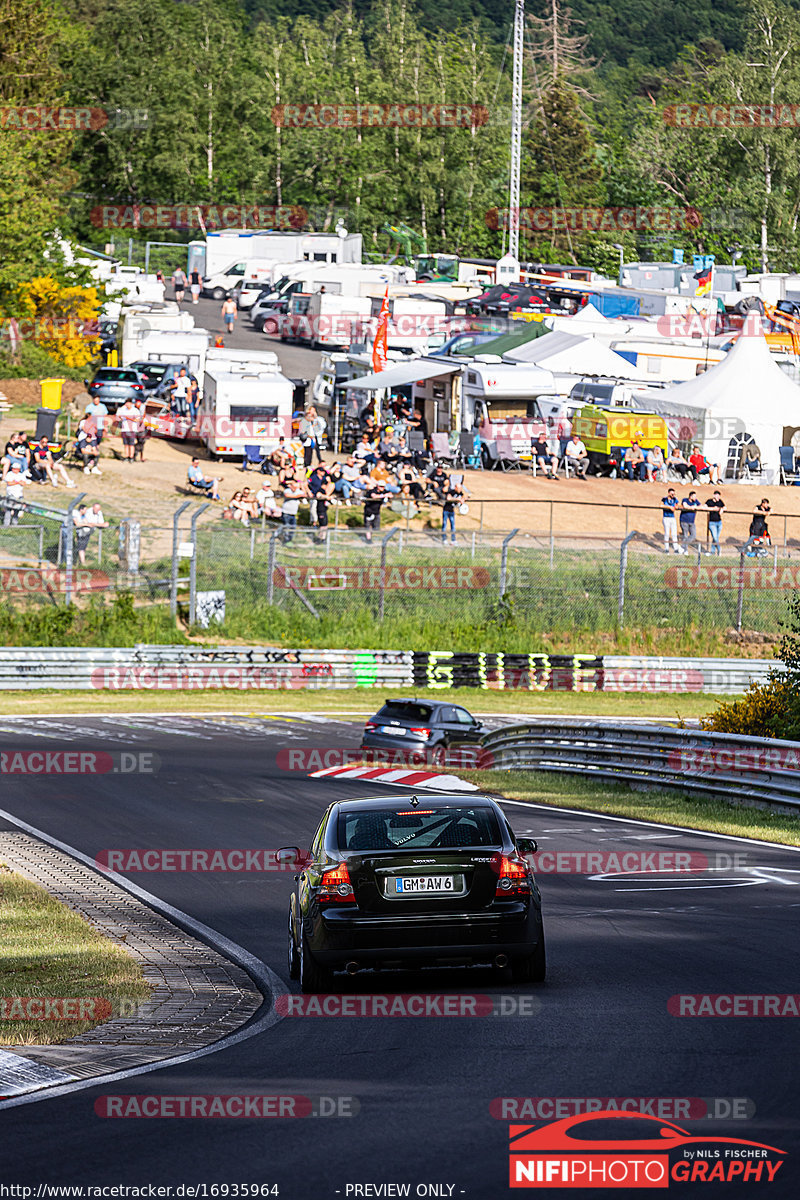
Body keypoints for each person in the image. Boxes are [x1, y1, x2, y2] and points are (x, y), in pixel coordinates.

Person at [280, 477, 305, 543]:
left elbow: (304, 494)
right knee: (286, 527)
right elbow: (287, 495)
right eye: (293, 486)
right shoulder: (287, 490)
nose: (295, 487)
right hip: (286, 512)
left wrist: (302, 487)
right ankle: (285, 540)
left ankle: (289, 540)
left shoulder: (298, 491)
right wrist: (297, 496)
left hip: (293, 513)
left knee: (292, 528)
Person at [363, 478, 387, 544]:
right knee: (368, 525)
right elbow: (373, 496)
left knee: (376, 527)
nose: (382, 488)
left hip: (377, 511)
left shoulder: (384, 491)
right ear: (377, 486)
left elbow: (390, 494)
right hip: (369, 510)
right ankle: (368, 538)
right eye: (381, 486)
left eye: (383, 486)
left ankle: (370, 535)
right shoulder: (372, 490)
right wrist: (383, 496)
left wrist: (386, 495)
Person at [116, 397, 140, 463]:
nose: (127, 405)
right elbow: (118, 416)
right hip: (124, 429)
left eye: (128, 403)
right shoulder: (123, 410)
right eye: (126, 403)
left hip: (132, 429)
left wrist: (130, 418)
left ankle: (131, 457)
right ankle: (126, 456)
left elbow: (137, 419)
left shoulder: (135, 410)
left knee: (131, 444)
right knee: (126, 444)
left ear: (131, 403)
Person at [705, 490, 726, 555]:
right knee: (715, 537)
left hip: (719, 522)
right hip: (712, 523)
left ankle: (712, 552)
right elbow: (704, 507)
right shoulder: (709, 501)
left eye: (719, 496)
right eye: (717, 495)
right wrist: (712, 509)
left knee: (715, 538)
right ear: (714, 495)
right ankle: (719, 549)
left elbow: (725, 507)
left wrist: (722, 509)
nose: (718, 497)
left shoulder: (720, 502)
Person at [661, 487, 680, 553]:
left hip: (672, 517)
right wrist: (669, 507)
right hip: (666, 517)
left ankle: (676, 548)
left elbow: (677, 505)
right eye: (672, 494)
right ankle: (666, 548)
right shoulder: (664, 499)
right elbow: (661, 505)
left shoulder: (675, 499)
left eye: (674, 494)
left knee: (674, 533)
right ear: (669, 493)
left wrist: (675, 507)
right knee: (667, 533)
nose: (673, 495)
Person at [441, 480, 460, 545]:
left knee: (453, 526)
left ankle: (453, 540)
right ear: (456, 488)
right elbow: (448, 498)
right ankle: (444, 539)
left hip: (452, 511)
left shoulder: (459, 493)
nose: (460, 489)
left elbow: (463, 497)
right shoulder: (452, 492)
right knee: (444, 525)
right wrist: (457, 499)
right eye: (458, 488)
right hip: (446, 510)